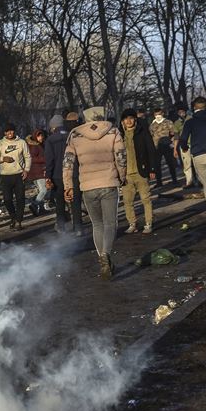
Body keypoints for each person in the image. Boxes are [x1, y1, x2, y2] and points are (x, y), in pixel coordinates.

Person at [63, 106, 126, 280]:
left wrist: (68, 186)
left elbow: (67, 164)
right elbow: (121, 156)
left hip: (87, 187)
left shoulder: (75, 135)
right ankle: (106, 255)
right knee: (110, 224)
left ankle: (102, 257)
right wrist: (122, 176)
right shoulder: (113, 132)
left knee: (97, 224)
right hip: (109, 183)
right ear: (102, 116)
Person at [119, 108, 157, 234]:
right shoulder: (119, 136)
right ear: (122, 121)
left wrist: (152, 168)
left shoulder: (142, 132)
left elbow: (151, 151)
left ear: (135, 119)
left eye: (131, 118)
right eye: (125, 119)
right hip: (126, 175)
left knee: (146, 199)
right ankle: (132, 224)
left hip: (142, 172)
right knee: (127, 201)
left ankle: (148, 223)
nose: (128, 121)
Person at [0, 123, 31, 230]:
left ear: (14, 131)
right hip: (5, 176)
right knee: (7, 200)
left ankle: (19, 221)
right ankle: (13, 217)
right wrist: (3, 159)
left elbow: (27, 157)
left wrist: (26, 170)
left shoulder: (21, 142)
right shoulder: (0, 143)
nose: (10, 133)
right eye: (7, 131)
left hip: (19, 175)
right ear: (4, 133)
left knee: (20, 199)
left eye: (11, 131)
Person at [44, 114, 70, 232]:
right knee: (73, 198)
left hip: (57, 174)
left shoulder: (50, 140)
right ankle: (77, 224)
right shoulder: (71, 136)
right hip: (72, 173)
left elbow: (50, 160)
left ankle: (61, 225)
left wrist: (48, 176)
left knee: (59, 200)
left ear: (53, 127)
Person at [63, 111, 85, 235]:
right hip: (84, 171)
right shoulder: (84, 134)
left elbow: (67, 162)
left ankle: (78, 228)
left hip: (75, 172)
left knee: (75, 202)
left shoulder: (68, 136)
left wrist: (67, 183)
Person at [148, 107, 178, 188]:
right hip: (157, 147)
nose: (158, 116)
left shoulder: (168, 122)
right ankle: (159, 182)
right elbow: (150, 136)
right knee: (157, 165)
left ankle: (175, 180)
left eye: (159, 114)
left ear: (163, 114)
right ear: (154, 115)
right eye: (156, 114)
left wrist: (172, 143)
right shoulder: (152, 125)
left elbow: (173, 133)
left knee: (170, 163)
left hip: (167, 146)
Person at [26, 129, 48, 216]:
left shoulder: (39, 145)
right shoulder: (33, 146)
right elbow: (32, 158)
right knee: (44, 190)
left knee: (40, 190)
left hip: (36, 171)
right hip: (37, 171)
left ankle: (41, 208)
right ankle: (35, 204)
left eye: (42, 136)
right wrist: (44, 159)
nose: (41, 137)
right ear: (35, 136)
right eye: (39, 136)